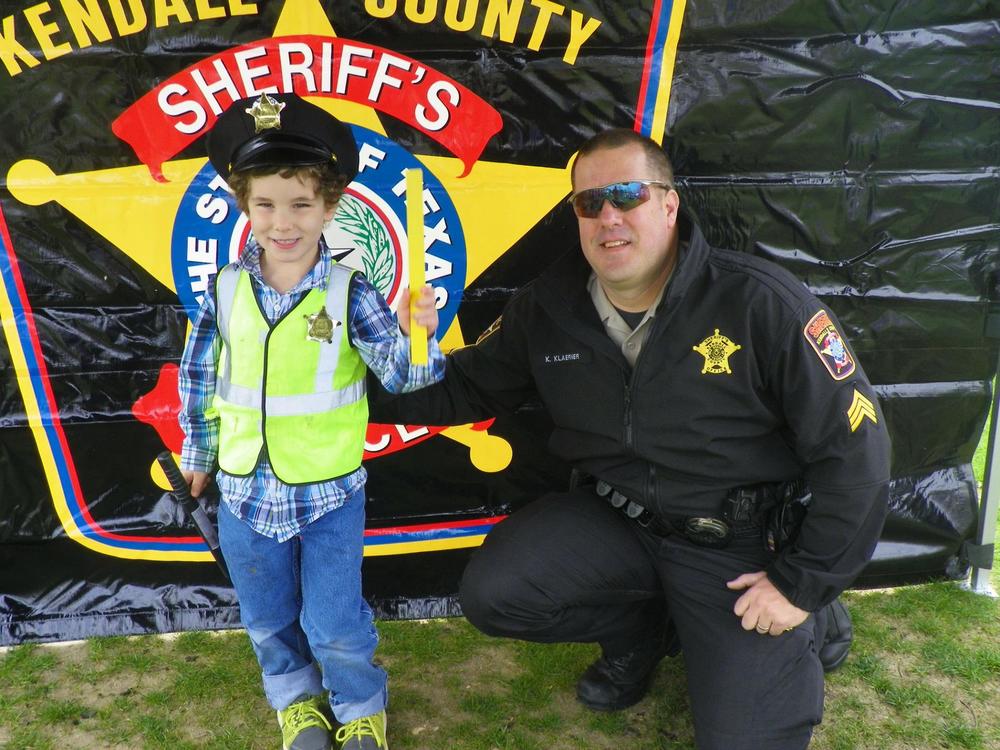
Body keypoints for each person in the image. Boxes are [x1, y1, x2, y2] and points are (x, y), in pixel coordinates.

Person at [370, 128, 890, 749]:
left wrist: (801, 583)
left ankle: (816, 619)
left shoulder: (760, 303)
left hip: (737, 547)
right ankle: (644, 632)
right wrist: (371, 366)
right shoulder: (550, 307)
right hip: (618, 520)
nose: (608, 216)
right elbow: (463, 390)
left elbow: (856, 453)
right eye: (589, 203)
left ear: (669, 204)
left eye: (627, 195)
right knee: (497, 595)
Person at [178, 92, 444, 750]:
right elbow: (200, 377)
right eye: (265, 203)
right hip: (243, 494)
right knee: (268, 620)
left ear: (329, 208)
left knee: (334, 623)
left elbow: (407, 380)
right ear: (246, 207)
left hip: (329, 496)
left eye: (301, 203)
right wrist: (199, 453)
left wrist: (420, 337)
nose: (283, 221)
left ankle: (358, 708)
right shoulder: (222, 290)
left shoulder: (353, 293)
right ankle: (297, 703)